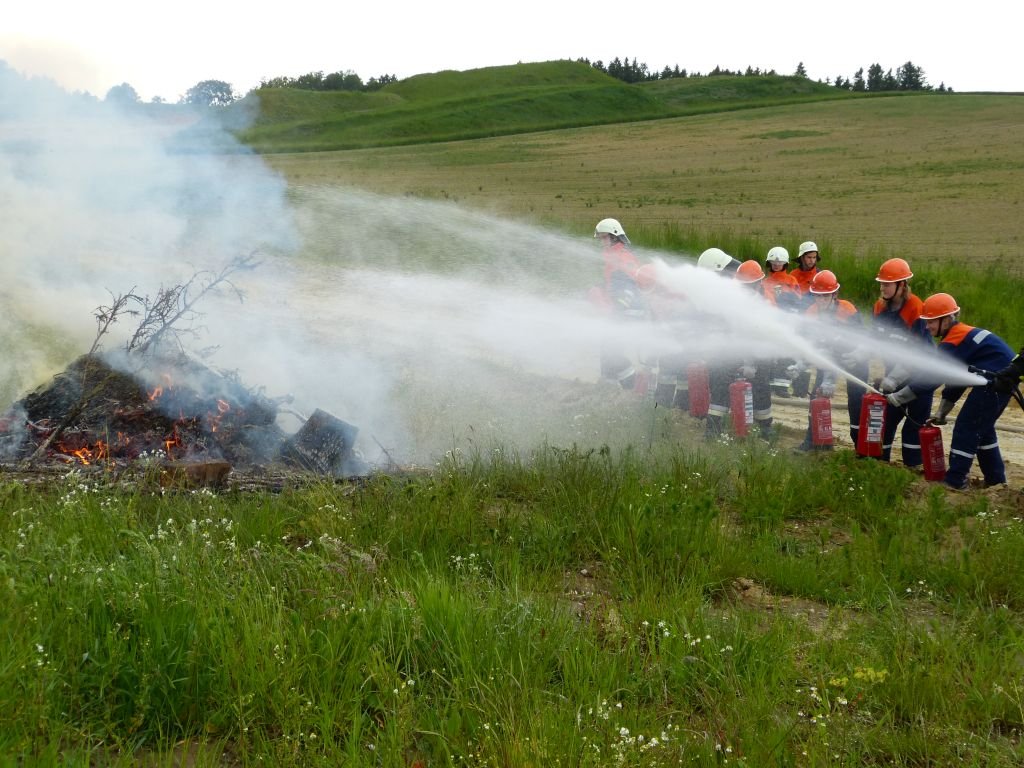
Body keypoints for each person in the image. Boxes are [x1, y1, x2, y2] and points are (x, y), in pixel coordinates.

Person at [920, 293, 1015, 490]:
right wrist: (941, 413)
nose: (927, 327)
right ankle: (996, 481)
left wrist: (901, 396)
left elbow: (931, 379)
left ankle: (955, 481)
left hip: (995, 383)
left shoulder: (952, 342)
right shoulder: (962, 335)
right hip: (1002, 381)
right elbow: (958, 380)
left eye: (931, 322)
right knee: (983, 430)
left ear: (946, 320)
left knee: (967, 427)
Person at [868, 257, 934, 466]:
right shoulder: (879, 308)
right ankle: (880, 466)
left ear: (902, 285)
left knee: (913, 428)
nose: (883, 288)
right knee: (885, 424)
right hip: (892, 377)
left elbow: (919, 355)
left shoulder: (917, 309)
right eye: (881, 283)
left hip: (919, 380)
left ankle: (912, 472)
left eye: (887, 284)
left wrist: (894, 378)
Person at [795, 269, 867, 449]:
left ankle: (861, 448)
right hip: (828, 358)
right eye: (817, 296)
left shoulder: (848, 310)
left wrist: (857, 354)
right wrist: (801, 363)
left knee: (857, 402)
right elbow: (808, 343)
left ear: (834, 294)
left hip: (853, 361)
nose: (821, 301)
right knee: (816, 398)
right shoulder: (811, 313)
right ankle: (813, 442)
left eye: (825, 296)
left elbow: (863, 339)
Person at [593, 218, 647, 389]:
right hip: (621, 311)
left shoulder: (623, 257)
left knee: (613, 351)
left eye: (604, 238)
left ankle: (631, 388)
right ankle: (608, 387)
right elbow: (612, 284)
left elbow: (631, 286)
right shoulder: (613, 257)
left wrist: (619, 308)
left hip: (629, 313)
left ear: (614, 237)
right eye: (600, 238)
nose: (602, 242)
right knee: (607, 348)